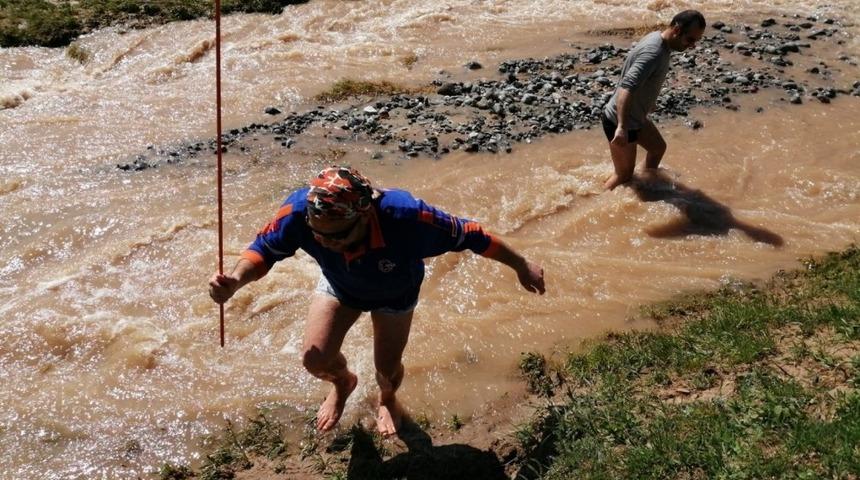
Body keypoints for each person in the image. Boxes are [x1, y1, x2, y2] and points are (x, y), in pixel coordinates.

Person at [209, 166, 545, 437]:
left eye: (338, 235)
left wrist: (521, 264)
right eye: (318, 235)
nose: (326, 242)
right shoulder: (299, 212)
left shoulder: (407, 217)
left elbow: (471, 234)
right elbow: (264, 250)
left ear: (365, 214)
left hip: (395, 294)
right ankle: (343, 383)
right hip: (340, 285)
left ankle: (387, 399)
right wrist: (235, 281)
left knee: (387, 369)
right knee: (316, 360)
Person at [602, 10, 706, 190]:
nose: (693, 46)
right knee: (623, 176)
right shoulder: (654, 53)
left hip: (636, 116)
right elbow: (626, 88)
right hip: (620, 120)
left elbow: (641, 79)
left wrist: (649, 103)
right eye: (690, 39)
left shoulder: (659, 39)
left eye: (696, 41)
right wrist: (622, 127)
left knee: (657, 148)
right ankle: (597, 201)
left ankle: (646, 186)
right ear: (677, 29)